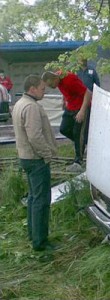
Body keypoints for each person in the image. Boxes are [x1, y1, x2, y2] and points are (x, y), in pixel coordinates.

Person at [11, 75, 58, 251]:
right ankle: (40, 242)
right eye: (42, 89)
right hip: (36, 159)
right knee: (41, 201)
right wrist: (47, 154)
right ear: (32, 89)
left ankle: (33, 235)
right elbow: (35, 136)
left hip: (26, 157)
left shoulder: (20, 103)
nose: (44, 92)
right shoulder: (30, 107)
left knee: (33, 198)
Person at [42, 71, 92, 172]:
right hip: (70, 106)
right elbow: (66, 90)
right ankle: (83, 145)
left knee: (77, 133)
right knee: (64, 129)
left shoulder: (69, 80)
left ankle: (78, 162)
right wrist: (63, 99)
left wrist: (82, 111)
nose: (52, 87)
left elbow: (88, 93)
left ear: (55, 78)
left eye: (51, 85)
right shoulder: (58, 79)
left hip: (81, 107)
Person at [76, 58, 100, 148]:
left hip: (89, 101)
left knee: (87, 123)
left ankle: (86, 143)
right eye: (81, 58)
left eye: (84, 58)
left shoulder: (92, 70)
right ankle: (78, 144)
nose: (83, 60)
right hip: (77, 100)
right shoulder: (74, 71)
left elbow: (97, 85)